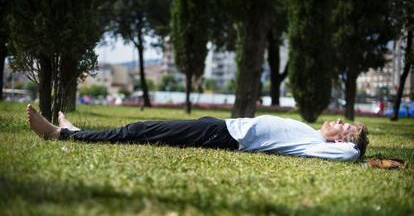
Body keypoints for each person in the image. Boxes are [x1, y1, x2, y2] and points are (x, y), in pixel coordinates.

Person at [26, 104, 369, 161]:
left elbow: (350, 153)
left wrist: (357, 146)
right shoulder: (310, 133)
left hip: (223, 137)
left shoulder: (323, 146)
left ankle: (61, 135)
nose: (337, 121)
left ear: (340, 140)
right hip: (221, 127)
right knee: (146, 129)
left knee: (143, 130)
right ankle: (79, 131)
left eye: (343, 126)